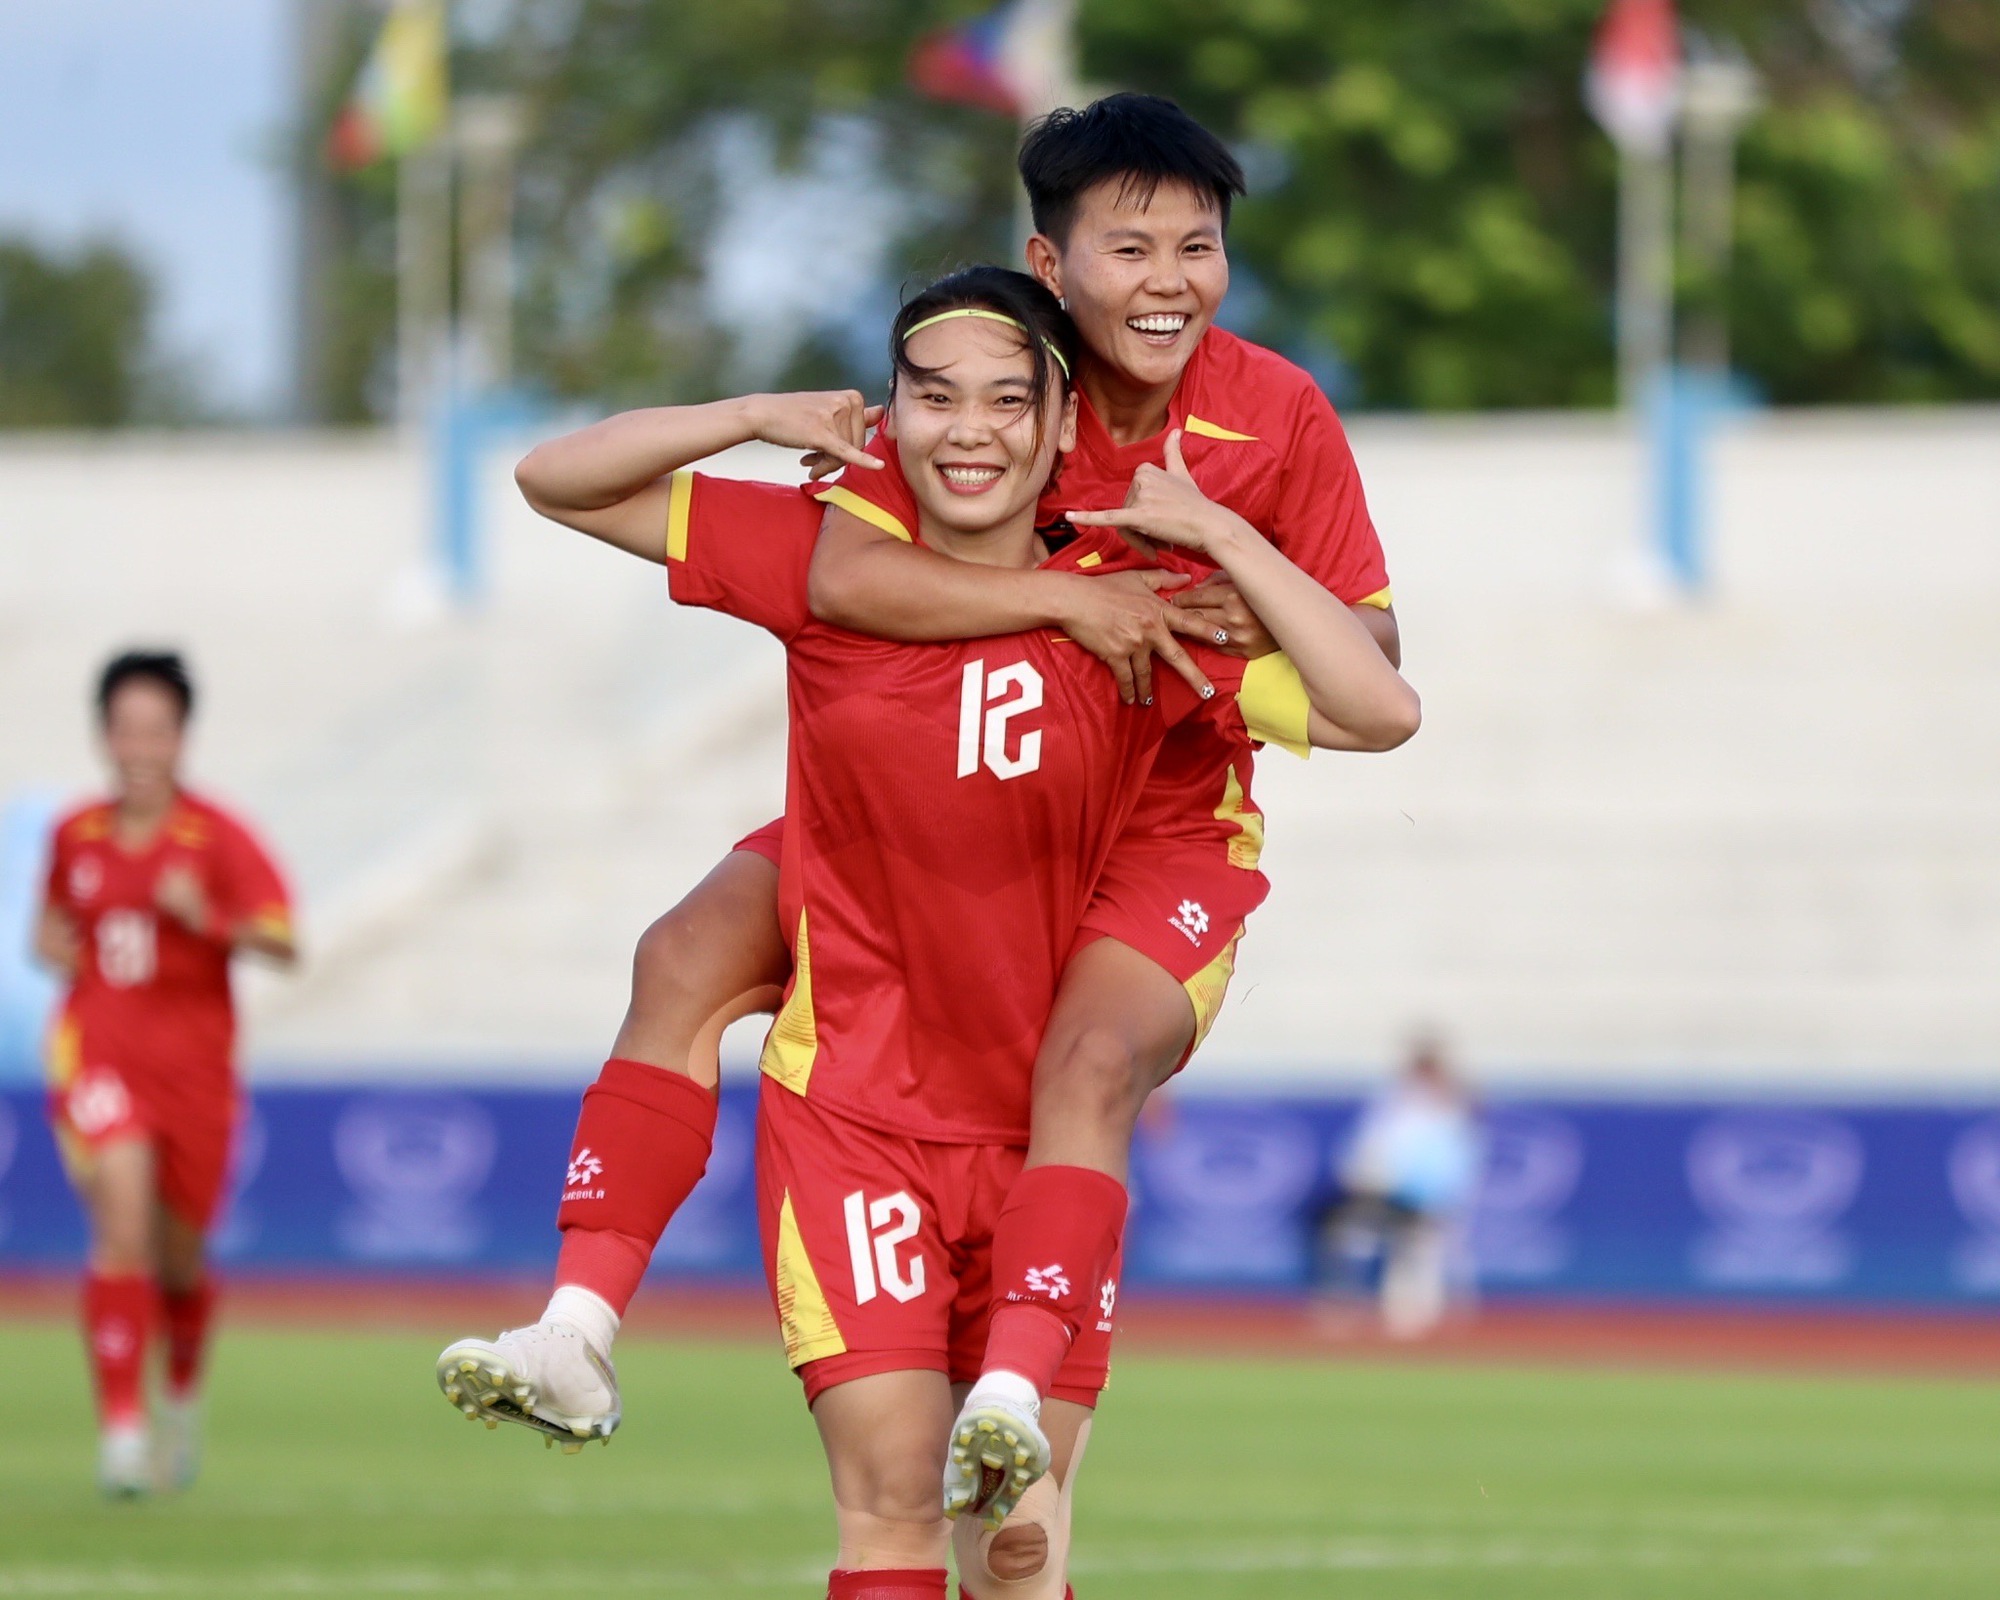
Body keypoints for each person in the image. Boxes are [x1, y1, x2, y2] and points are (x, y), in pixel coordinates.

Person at [476, 91, 1405, 1495]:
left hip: (1152, 810)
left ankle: (1017, 1394)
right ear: (1050, 267)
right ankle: (578, 1324)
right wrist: (1036, 586)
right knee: (682, 953)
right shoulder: (994, 378)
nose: (1167, 283)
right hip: (931, 797)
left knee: (1083, 1071)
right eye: (1130, 249)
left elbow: (1375, 685)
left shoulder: (1271, 415)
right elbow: (837, 578)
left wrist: (1214, 551)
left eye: (1197, 249)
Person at [35, 650, 297, 1495]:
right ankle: (121, 1433)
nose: (139, 747)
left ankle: (179, 1398)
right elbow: (49, 928)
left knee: (180, 1262)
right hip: (100, 1056)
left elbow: (285, 940)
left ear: (181, 737)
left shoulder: (217, 837)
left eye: (155, 729)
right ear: (103, 737)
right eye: (124, 729)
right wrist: (47, 948)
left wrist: (210, 918)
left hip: (195, 1079)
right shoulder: (75, 833)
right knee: (121, 1225)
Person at [1315, 1038, 1481, 1339]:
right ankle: (1344, 1304)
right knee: (1348, 1236)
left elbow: (1451, 1170)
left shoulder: (1448, 1115)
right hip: (1385, 1194)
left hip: (1424, 1200)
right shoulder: (1395, 1106)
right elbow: (1366, 1155)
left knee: (1419, 1248)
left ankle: (1417, 1316)